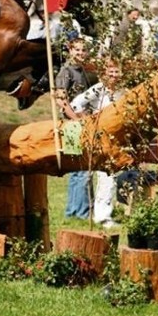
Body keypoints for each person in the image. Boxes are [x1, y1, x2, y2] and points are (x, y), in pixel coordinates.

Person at [71, 59, 125, 228]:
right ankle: (100, 216)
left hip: (115, 137)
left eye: (117, 72)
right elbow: (76, 104)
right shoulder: (98, 89)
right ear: (104, 74)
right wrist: (88, 122)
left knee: (110, 176)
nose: (114, 76)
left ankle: (103, 213)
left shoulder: (122, 92)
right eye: (111, 72)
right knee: (103, 174)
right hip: (99, 136)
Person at [57, 38, 96, 220]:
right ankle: (82, 212)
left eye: (83, 50)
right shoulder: (66, 72)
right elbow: (61, 100)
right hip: (72, 125)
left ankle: (73, 211)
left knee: (78, 170)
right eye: (77, 50)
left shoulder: (85, 71)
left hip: (84, 121)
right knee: (81, 169)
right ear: (70, 51)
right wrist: (76, 119)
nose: (81, 53)